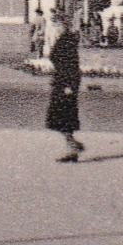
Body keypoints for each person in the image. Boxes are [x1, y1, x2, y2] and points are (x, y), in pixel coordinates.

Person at [46, 18, 86, 162]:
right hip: (61, 82)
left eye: (57, 25)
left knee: (63, 116)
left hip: (65, 84)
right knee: (60, 117)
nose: (55, 27)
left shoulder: (67, 41)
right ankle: (72, 146)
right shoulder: (64, 39)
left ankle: (72, 147)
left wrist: (69, 85)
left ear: (64, 26)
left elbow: (71, 64)